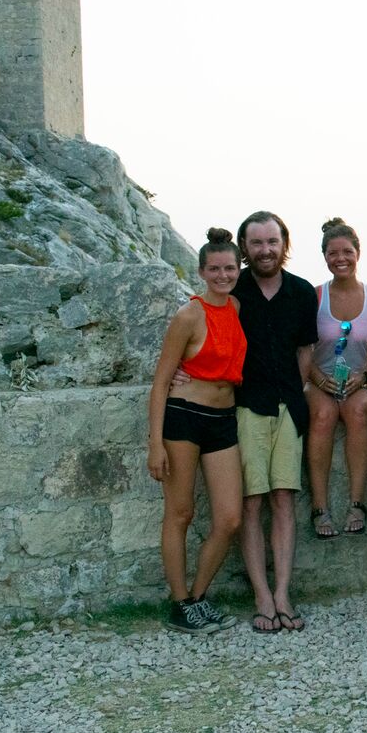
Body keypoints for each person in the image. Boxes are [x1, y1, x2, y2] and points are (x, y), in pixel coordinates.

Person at [146, 228, 246, 634]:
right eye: (215, 269)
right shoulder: (188, 315)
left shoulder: (236, 306)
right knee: (180, 512)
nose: (223, 275)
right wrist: (155, 444)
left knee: (230, 518)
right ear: (201, 271)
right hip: (184, 417)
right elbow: (160, 382)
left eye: (229, 268)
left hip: (223, 419)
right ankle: (179, 602)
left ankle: (198, 596)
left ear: (237, 270)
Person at [233, 210, 318, 633]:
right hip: (245, 406)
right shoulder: (233, 289)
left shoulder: (301, 292)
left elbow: (306, 351)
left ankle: (282, 593)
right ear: (244, 248)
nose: (265, 250)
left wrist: (294, 393)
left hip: (288, 407)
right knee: (251, 502)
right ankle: (261, 596)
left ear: (284, 244)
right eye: (257, 243)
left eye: (272, 241)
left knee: (283, 498)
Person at [305, 218, 367, 539]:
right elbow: (302, 349)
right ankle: (319, 506)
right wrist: (318, 379)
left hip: (361, 380)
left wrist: (363, 376)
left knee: (355, 412)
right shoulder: (314, 297)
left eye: (347, 252)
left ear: (358, 253)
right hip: (319, 379)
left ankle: (357, 503)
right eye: (333, 253)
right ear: (324, 257)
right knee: (324, 415)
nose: (340, 259)